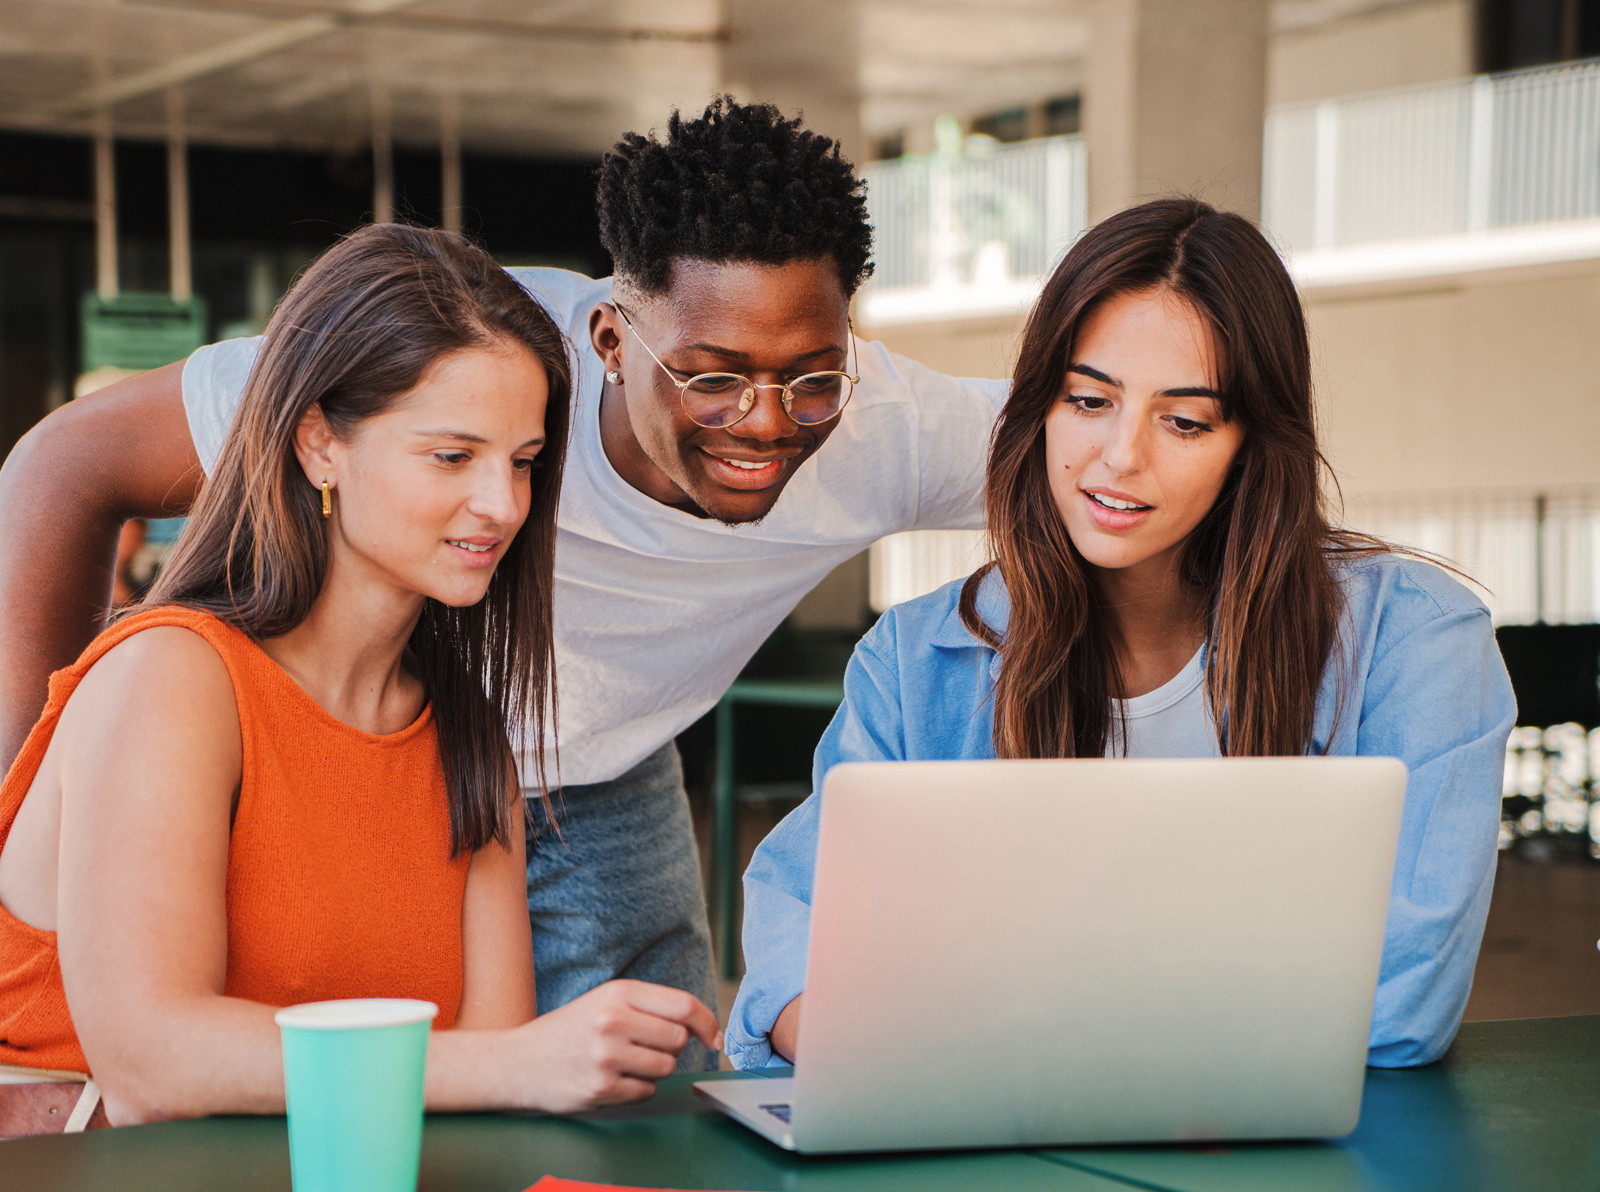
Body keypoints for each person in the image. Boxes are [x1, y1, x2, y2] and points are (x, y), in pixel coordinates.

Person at [0, 98, 1004, 1069]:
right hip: (324, 746)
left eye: (525, 462)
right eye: (711, 377)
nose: (766, 419)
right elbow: (64, 465)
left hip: (536, 751)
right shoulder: (465, 354)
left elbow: (1091, 452)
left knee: (640, 1104)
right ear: (610, 343)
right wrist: (36, 794)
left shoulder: (889, 427)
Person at [726, 197, 1517, 1072]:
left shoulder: (1416, 641)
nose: (1120, 456)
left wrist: (978, 1020)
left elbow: (1402, 1003)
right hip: (981, 1120)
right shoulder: (917, 663)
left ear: (1252, 443)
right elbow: (798, 944)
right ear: (1039, 407)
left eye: (1185, 420)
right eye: (1089, 400)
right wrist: (842, 1029)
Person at [0, 224, 718, 1131]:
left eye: (524, 462)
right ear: (318, 444)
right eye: (452, 456)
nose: (502, 504)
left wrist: (535, 1067)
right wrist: (524, 1062)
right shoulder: (169, 676)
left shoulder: (468, 738)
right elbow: (154, 1064)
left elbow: (486, 1090)